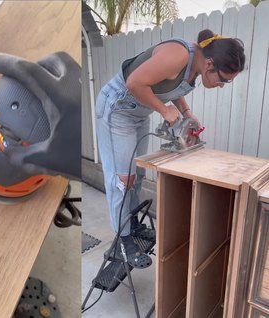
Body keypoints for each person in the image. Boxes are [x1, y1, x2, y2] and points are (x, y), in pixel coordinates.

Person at [95, 29, 245, 268]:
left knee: (138, 174)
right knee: (123, 180)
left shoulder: (194, 64)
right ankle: (123, 243)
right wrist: (164, 111)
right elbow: (135, 82)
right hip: (118, 109)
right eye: (224, 79)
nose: (223, 86)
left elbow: (171, 86)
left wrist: (186, 113)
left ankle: (132, 225)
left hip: (138, 112)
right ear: (209, 64)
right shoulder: (178, 54)